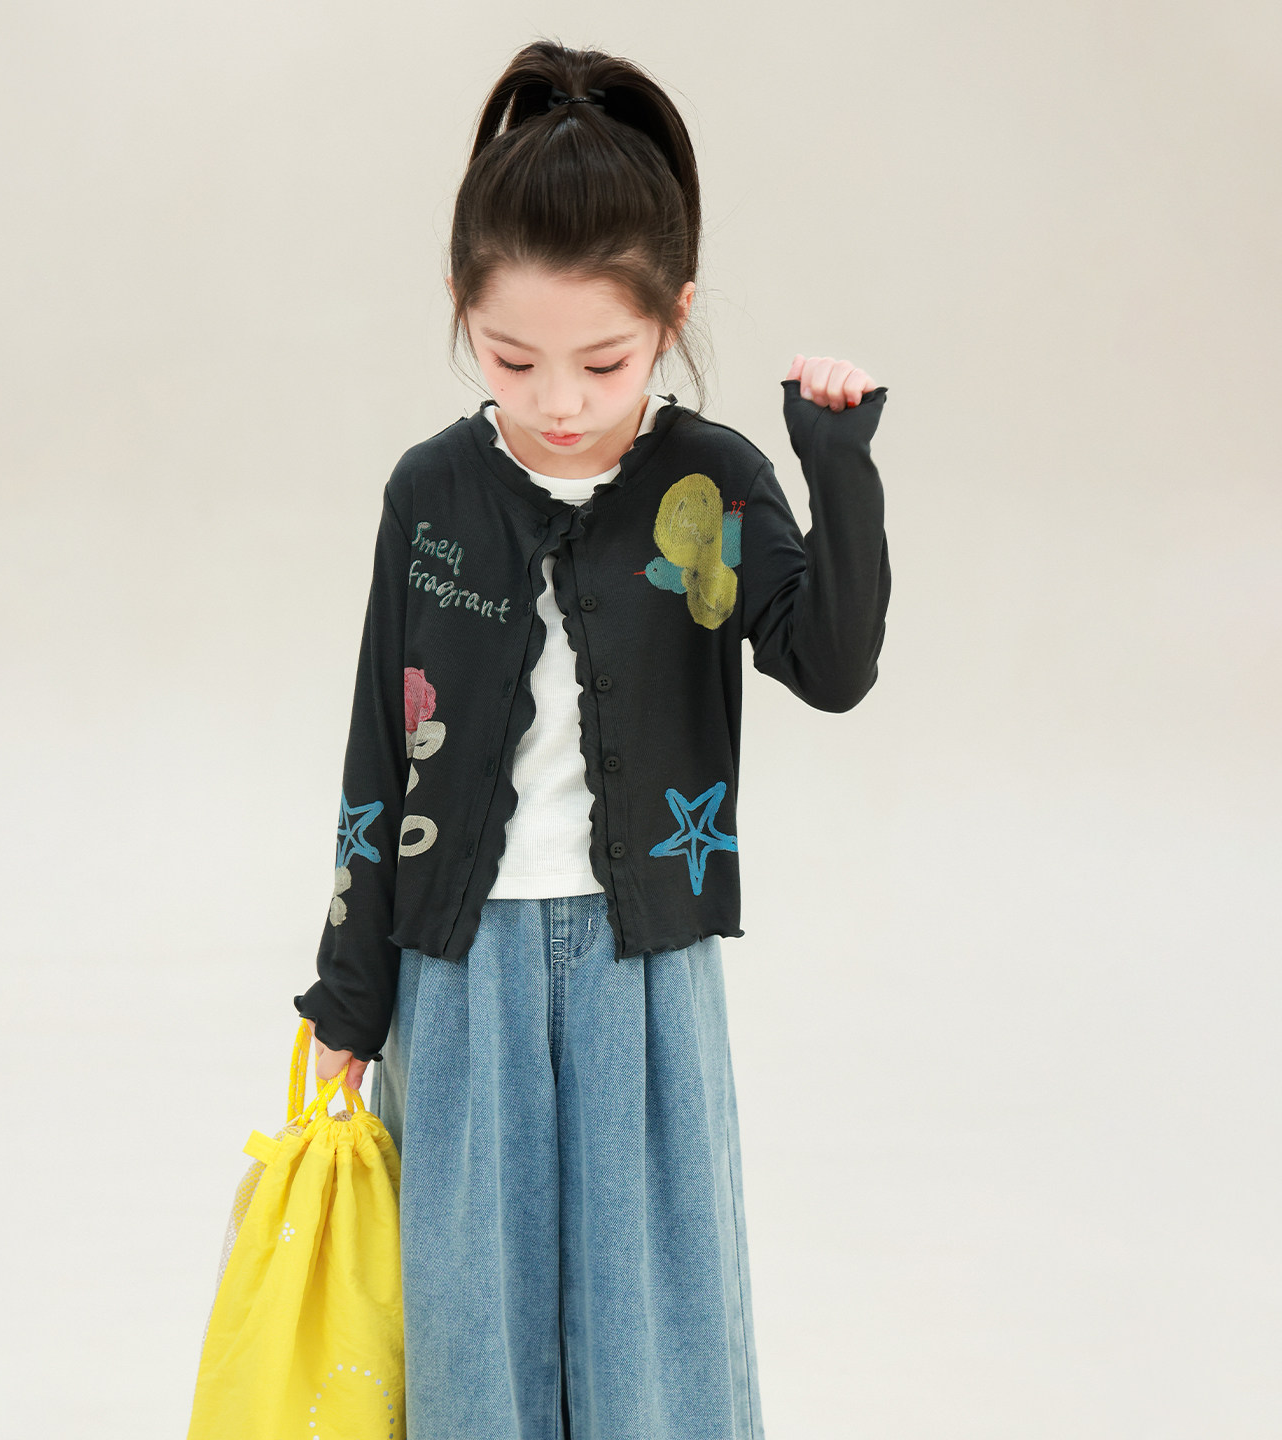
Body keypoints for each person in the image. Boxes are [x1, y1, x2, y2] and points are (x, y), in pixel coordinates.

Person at [295, 37, 890, 1440]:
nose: (559, 401)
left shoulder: (710, 484)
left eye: (605, 361)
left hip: (646, 961)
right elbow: (380, 749)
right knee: (472, 1341)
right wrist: (346, 998)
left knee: (652, 1343)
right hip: (457, 970)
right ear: (463, 311)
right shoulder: (432, 494)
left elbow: (833, 667)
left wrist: (838, 467)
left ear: (673, 319)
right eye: (514, 358)